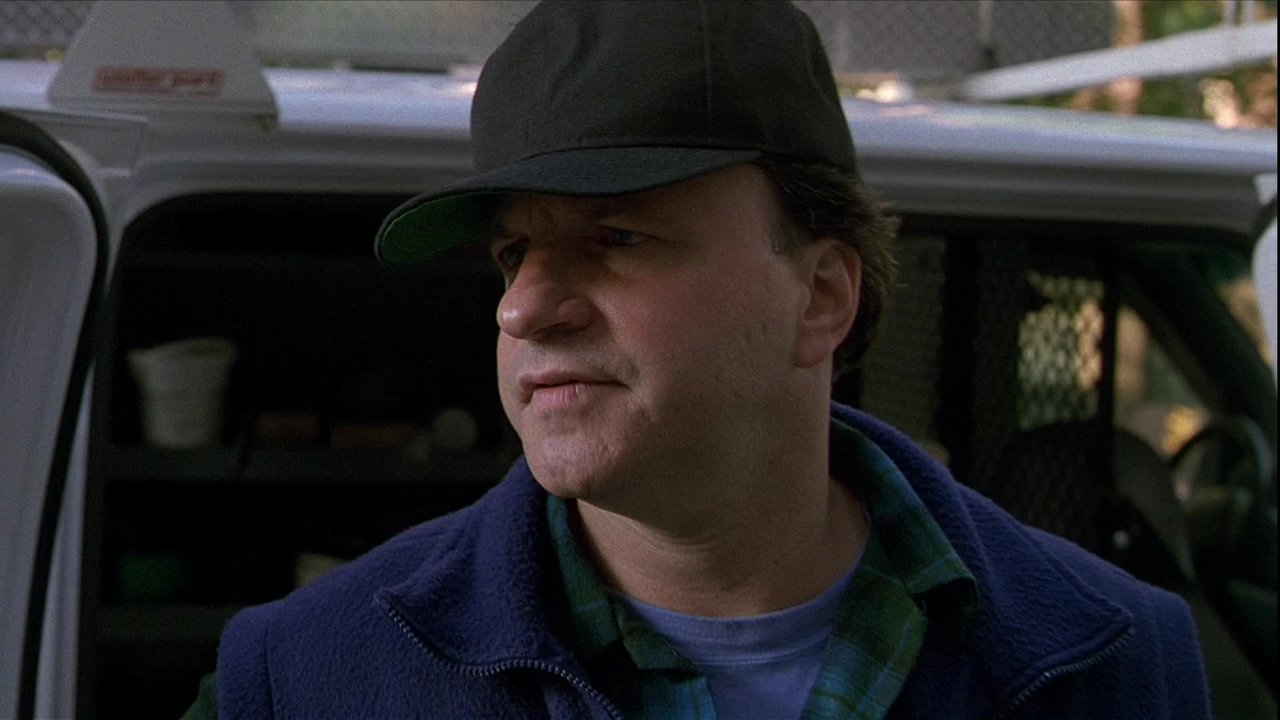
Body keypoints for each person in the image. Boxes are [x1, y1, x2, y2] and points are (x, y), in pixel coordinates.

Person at [190, 2, 1212, 718]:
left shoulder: (1116, 663)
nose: (522, 307)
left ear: (819, 296)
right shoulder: (306, 678)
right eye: (513, 252)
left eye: (617, 236)